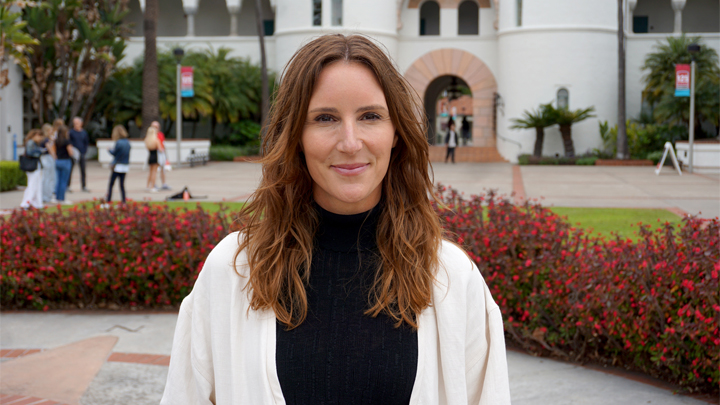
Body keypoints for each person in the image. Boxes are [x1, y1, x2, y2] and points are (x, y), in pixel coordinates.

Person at [161, 34, 510, 404]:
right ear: (295, 135)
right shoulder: (233, 270)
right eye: (325, 118)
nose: (350, 142)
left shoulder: (451, 278)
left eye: (370, 116)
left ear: (396, 133)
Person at [105, 125, 131, 204]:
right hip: (125, 165)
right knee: (122, 185)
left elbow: (115, 153)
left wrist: (109, 150)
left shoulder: (118, 142)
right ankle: (124, 201)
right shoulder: (127, 142)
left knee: (111, 184)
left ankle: (108, 200)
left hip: (118, 165)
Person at [20, 129, 45, 209]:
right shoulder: (31, 142)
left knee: (36, 185)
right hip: (32, 166)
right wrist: (40, 151)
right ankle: (26, 203)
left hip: (35, 166)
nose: (40, 138)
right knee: (32, 185)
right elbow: (30, 153)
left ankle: (37, 203)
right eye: (39, 136)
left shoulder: (33, 143)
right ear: (35, 135)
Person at [68, 117, 90, 192]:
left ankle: (83, 186)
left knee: (83, 171)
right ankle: (68, 186)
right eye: (74, 123)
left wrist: (84, 151)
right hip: (73, 154)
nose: (76, 125)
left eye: (77, 123)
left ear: (81, 123)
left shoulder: (84, 133)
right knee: (70, 170)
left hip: (82, 154)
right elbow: (69, 143)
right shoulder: (71, 132)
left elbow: (86, 143)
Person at [54, 125, 74, 205]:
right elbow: (71, 152)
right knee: (64, 180)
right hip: (65, 161)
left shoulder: (56, 141)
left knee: (58, 180)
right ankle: (62, 198)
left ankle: (57, 197)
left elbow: (54, 151)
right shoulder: (67, 141)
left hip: (58, 161)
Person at [40, 123, 57, 203]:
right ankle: (47, 196)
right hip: (47, 158)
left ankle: (45, 195)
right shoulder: (46, 140)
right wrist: (54, 156)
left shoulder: (41, 139)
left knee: (46, 177)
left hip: (43, 158)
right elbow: (49, 149)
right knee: (49, 177)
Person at [151, 121, 171, 190]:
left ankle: (164, 184)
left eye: (156, 127)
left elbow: (163, 144)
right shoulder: (151, 135)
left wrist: (165, 155)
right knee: (154, 170)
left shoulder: (161, 134)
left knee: (163, 169)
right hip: (155, 153)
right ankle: (153, 184)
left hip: (161, 152)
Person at [144, 126, 160, 192]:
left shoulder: (147, 140)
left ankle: (147, 186)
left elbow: (147, 148)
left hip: (150, 155)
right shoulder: (156, 140)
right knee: (154, 172)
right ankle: (152, 186)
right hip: (155, 156)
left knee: (150, 172)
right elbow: (160, 149)